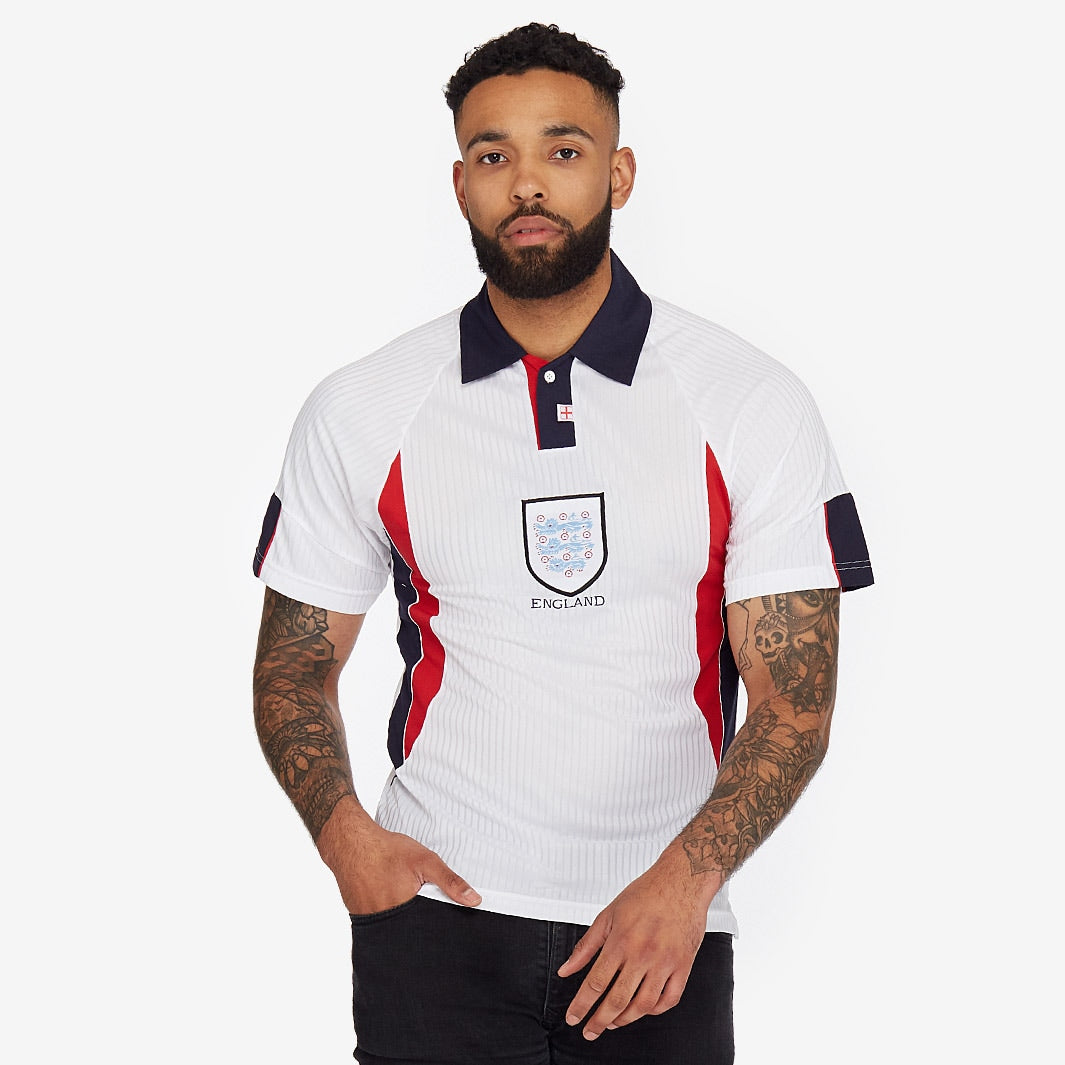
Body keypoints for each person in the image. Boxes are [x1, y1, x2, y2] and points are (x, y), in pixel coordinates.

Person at [252, 22, 873, 1065]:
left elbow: (794, 699)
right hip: (433, 929)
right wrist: (347, 842)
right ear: (461, 185)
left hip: (660, 933)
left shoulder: (747, 401)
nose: (527, 183)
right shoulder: (363, 408)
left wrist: (684, 886)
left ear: (618, 174)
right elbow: (292, 667)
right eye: (493, 154)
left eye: (564, 149)